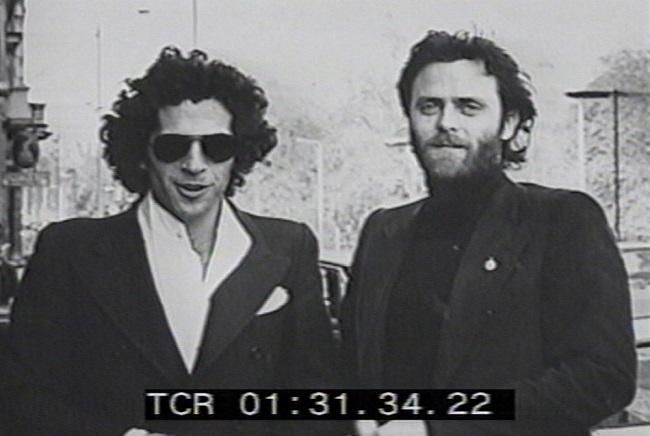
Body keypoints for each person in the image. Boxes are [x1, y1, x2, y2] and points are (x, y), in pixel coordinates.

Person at [6, 47, 344, 435]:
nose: (195, 165)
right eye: (173, 146)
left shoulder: (289, 247)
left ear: (238, 154)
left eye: (216, 147)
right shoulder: (70, 250)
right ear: (142, 152)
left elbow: (316, 400)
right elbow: (23, 399)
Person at [341, 30, 636, 435]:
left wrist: (435, 427)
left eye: (469, 107)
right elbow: (354, 364)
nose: (445, 123)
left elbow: (601, 377)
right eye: (429, 106)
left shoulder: (562, 220)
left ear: (508, 123)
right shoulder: (383, 230)